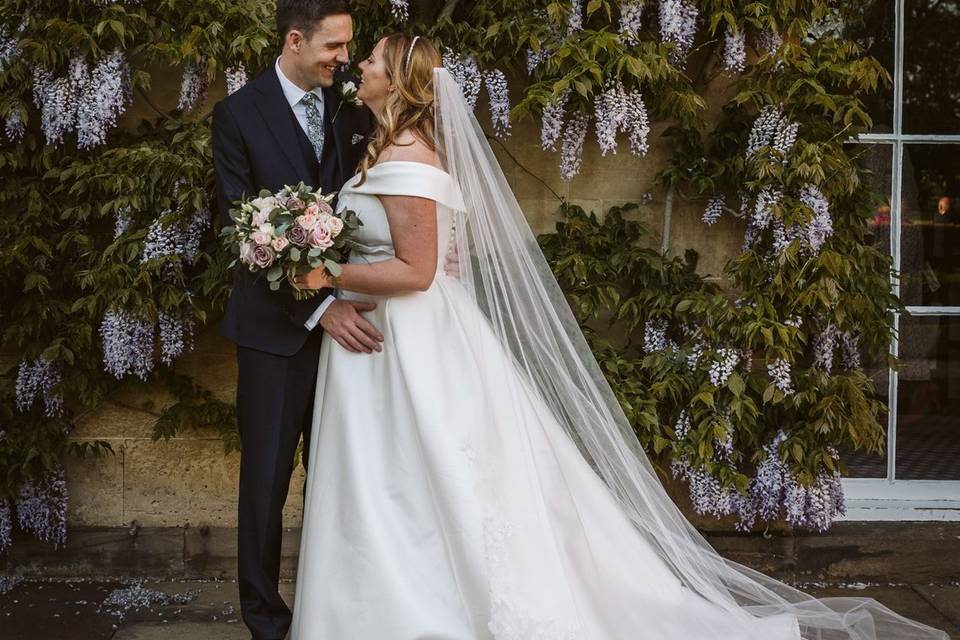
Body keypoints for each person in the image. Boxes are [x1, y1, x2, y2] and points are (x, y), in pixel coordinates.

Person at [288, 32, 949, 640]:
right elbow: (434, 256)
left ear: (401, 84)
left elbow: (420, 270)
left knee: (416, 476)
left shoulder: (407, 158)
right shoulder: (384, 150)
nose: (361, 68)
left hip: (406, 344)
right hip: (384, 343)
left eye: (372, 60)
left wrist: (326, 272)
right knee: (391, 479)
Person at [210, 2, 381, 638]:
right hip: (274, 336)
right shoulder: (238, 114)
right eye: (335, 46)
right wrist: (319, 308)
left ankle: (332, 608)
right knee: (266, 483)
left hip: (355, 330)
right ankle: (265, 621)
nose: (344, 58)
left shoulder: (352, 110)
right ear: (295, 40)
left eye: (350, 48)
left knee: (345, 477)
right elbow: (242, 231)